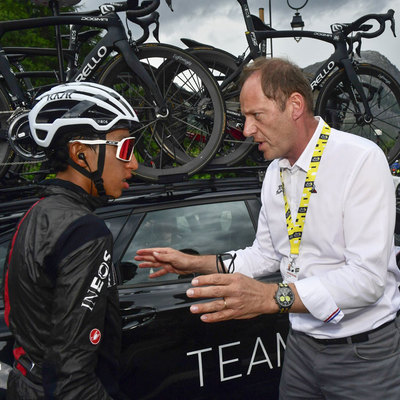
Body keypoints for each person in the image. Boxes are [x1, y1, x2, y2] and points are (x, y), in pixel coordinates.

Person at [135, 57, 400, 399]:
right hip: (302, 348)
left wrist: (272, 297)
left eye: (255, 115)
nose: (246, 130)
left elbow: (367, 281)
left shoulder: (361, 160)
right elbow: (265, 254)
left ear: (294, 105)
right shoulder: (275, 171)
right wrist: (195, 263)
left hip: (364, 356)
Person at [4, 82, 139, 399]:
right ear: (81, 154)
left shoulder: (36, 212)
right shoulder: (85, 231)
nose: (133, 163)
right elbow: (73, 377)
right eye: (125, 148)